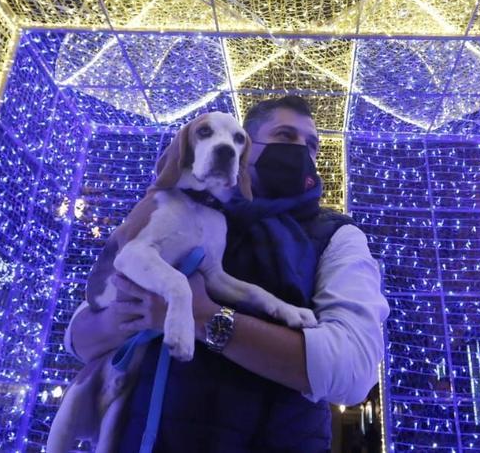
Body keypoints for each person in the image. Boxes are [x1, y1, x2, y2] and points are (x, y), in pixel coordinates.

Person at [65, 95, 389, 451]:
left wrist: (207, 318)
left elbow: (353, 371)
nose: (301, 152)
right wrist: (128, 317)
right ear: (249, 153)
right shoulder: (187, 208)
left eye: (311, 145)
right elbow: (80, 338)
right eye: (285, 137)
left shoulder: (337, 236)